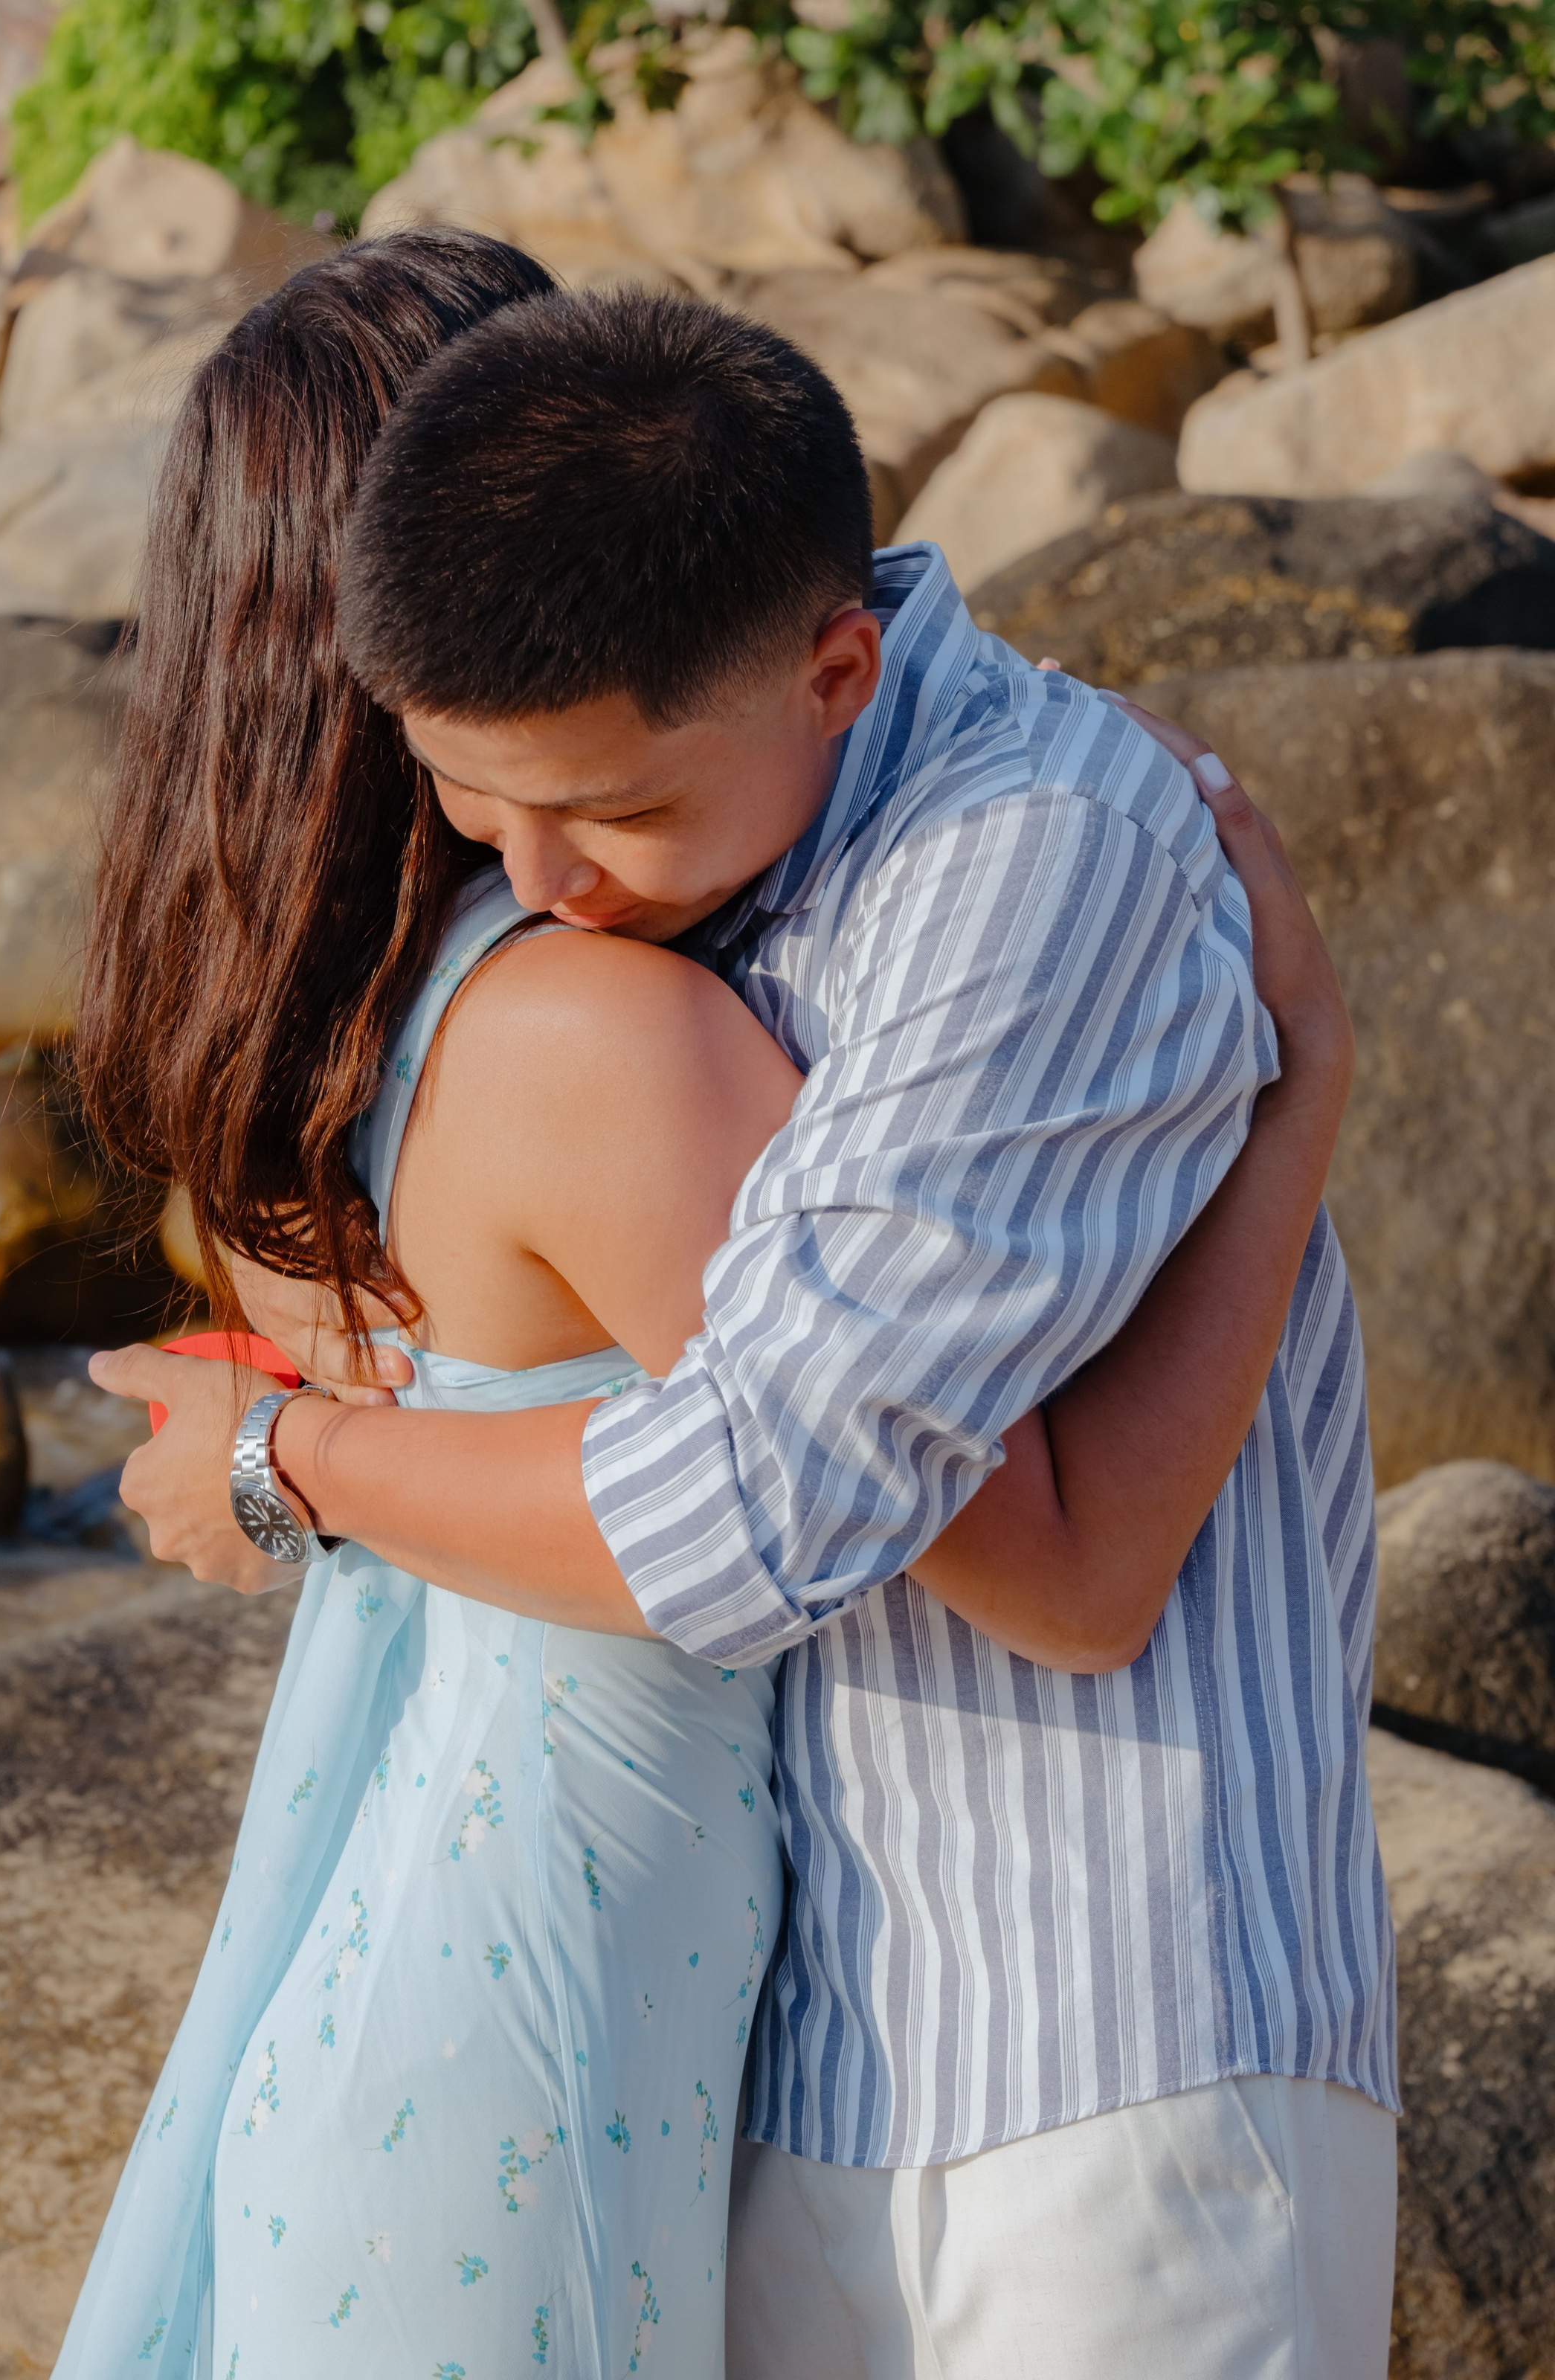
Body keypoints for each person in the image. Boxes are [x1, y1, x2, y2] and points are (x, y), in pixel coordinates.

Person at [100, 271, 1395, 2379]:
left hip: (1100, 2048)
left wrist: (288, 1463)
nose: (549, 877)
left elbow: (806, 1512)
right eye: (480, 805)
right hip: (803, 2061)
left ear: (831, 662)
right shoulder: (678, 894)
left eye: (603, 813)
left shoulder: (1019, 864)